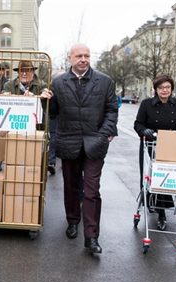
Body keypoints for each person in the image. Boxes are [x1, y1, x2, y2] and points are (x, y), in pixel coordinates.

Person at [47, 43, 118, 254]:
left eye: (87, 55)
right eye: (79, 56)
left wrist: (103, 134)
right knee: (70, 186)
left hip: (95, 144)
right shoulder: (58, 83)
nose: (83, 59)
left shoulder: (104, 81)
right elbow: (52, 113)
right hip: (69, 142)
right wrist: (46, 101)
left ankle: (91, 236)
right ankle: (72, 221)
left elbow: (111, 110)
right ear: (70, 58)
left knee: (92, 190)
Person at [134, 74, 176, 231]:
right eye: (161, 87)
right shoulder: (147, 104)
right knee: (158, 178)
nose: (165, 90)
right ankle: (161, 213)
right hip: (153, 144)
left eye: (167, 87)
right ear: (156, 89)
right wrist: (145, 130)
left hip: (172, 144)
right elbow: (138, 124)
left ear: (171, 89)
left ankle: (160, 208)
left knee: (171, 176)